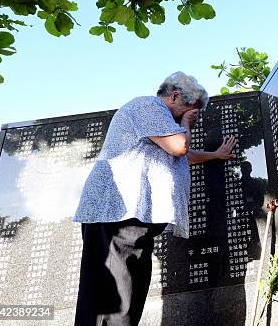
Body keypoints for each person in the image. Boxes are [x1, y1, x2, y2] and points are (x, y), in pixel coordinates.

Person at [73, 71, 237, 326]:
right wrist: (186, 123)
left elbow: (182, 155)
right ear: (175, 96)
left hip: (130, 219)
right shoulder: (148, 106)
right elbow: (179, 147)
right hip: (119, 214)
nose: (194, 116)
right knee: (116, 296)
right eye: (192, 109)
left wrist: (215, 155)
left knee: (128, 291)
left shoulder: (157, 124)